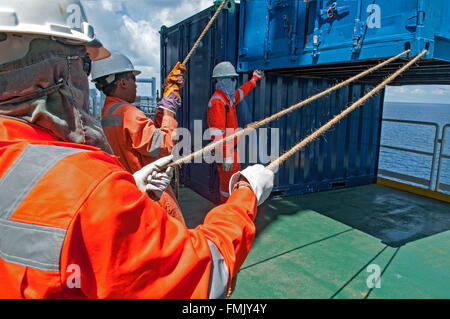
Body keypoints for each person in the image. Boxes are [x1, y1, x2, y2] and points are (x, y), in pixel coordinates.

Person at [0, 0, 274, 299]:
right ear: (56, 65)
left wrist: (132, 180)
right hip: (157, 196)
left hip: (135, 184)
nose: (134, 83)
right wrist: (246, 192)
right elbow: (200, 272)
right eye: (83, 62)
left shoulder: (101, 115)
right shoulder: (91, 182)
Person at [91, 52, 185, 224]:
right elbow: (163, 145)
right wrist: (169, 109)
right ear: (122, 82)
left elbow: (148, 137)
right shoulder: (128, 113)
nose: (136, 84)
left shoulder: (109, 112)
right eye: (133, 79)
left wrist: (164, 104)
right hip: (153, 193)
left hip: (134, 190)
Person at [207, 61, 264, 203]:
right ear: (222, 80)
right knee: (227, 187)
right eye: (232, 79)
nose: (235, 82)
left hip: (233, 152)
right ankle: (227, 213)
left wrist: (255, 79)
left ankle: (231, 210)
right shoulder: (217, 102)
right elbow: (217, 135)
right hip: (226, 153)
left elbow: (244, 90)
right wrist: (226, 156)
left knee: (233, 183)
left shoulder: (229, 99)